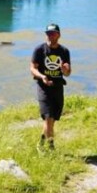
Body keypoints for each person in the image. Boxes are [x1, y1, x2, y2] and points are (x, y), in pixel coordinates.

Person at [30, 23, 71, 151]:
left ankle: (41, 142)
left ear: (58, 35)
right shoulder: (39, 50)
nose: (50, 36)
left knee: (52, 120)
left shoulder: (64, 51)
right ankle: (50, 147)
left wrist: (65, 70)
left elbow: (68, 73)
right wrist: (42, 76)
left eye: (53, 33)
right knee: (48, 117)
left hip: (58, 88)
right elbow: (32, 68)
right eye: (48, 33)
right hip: (43, 88)